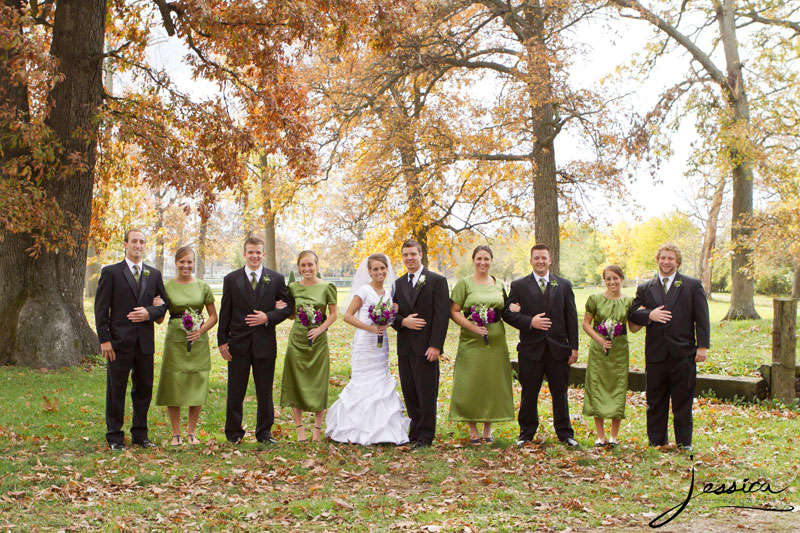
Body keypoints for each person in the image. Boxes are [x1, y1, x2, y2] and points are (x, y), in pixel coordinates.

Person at [628, 243, 709, 452]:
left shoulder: (692, 285)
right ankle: (657, 442)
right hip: (656, 354)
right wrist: (650, 315)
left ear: (677, 262)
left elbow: (702, 318)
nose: (666, 262)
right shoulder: (646, 288)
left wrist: (703, 346)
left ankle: (684, 443)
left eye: (670, 258)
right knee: (655, 401)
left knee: (683, 401)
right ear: (658, 260)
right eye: (663, 258)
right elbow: (633, 313)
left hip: (683, 353)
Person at [95, 229, 169, 450]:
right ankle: (115, 437)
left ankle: (140, 434)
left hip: (144, 343)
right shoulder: (111, 273)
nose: (138, 245)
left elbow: (164, 305)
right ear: (125, 244)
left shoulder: (153, 274)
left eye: (142, 242)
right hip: (118, 343)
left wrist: (150, 312)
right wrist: (105, 340)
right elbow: (101, 310)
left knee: (143, 389)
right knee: (116, 390)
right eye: (134, 241)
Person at [325, 253, 410, 445]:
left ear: (387, 270)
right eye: (375, 269)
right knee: (363, 380)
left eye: (382, 268)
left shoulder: (388, 294)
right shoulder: (364, 290)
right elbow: (347, 316)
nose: (379, 272)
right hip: (365, 343)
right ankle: (355, 428)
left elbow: (388, 320)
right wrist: (371, 328)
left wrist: (391, 316)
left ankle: (383, 431)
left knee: (380, 380)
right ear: (369, 272)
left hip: (381, 345)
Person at [504, 244, 580, 448]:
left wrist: (574, 347)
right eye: (536, 258)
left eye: (543, 258)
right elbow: (508, 313)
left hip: (558, 349)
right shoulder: (519, 285)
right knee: (529, 392)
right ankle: (526, 434)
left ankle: (565, 433)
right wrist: (530, 322)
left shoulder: (563, 284)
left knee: (560, 392)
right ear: (531, 260)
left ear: (550, 260)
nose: (540, 261)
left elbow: (571, 317)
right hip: (531, 349)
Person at [218, 237, 292, 444]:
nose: (254, 255)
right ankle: (233, 433)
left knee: (265, 390)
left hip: (264, 343)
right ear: (244, 254)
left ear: (264, 254)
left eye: (258, 252)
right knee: (235, 390)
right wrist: (222, 340)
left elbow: (287, 307)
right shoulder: (231, 279)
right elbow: (225, 311)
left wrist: (268, 317)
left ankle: (264, 433)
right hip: (238, 343)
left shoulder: (275, 278)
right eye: (250, 252)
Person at [448, 245, 514, 445]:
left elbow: (506, 308)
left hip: (496, 340)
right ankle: (473, 430)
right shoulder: (464, 283)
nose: (483, 262)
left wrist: (515, 307)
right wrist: (472, 327)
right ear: (473, 260)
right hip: (472, 340)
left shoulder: (499, 283)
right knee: (471, 382)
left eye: (486, 258)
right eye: (479, 259)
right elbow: (454, 311)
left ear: (491, 260)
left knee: (491, 382)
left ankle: (487, 429)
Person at [153, 247, 217, 446]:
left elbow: (214, 316)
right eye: (182, 262)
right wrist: (156, 306)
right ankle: (175, 434)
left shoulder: (202, 286)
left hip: (198, 340)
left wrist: (200, 331)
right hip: (175, 339)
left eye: (189, 262)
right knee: (174, 383)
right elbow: (159, 320)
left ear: (194, 263)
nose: (186, 266)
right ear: (176, 263)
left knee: (195, 383)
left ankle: (191, 432)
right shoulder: (167, 286)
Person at [391, 239, 450, 449]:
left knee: (426, 392)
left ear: (421, 254)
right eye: (405, 255)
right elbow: (391, 315)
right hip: (405, 347)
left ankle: (426, 436)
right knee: (409, 390)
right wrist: (402, 322)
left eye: (413, 254)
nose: (409, 258)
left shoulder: (437, 281)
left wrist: (436, 345)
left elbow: (442, 317)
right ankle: (415, 431)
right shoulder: (397, 284)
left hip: (427, 347)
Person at [280, 250, 338, 442]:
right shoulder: (293, 288)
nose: (307, 269)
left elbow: (333, 315)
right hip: (297, 340)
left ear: (317, 266)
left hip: (318, 341)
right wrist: (282, 310)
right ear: (299, 267)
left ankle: (316, 428)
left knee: (318, 383)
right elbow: (290, 314)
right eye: (303, 265)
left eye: (310, 265)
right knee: (296, 381)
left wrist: (320, 330)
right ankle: (299, 429)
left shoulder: (327, 287)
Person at [581, 265, 642, 448]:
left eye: (615, 278)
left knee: (617, 388)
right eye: (608, 278)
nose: (612, 282)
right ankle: (601, 437)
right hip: (599, 351)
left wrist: (646, 317)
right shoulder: (595, 299)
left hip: (619, 351)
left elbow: (632, 328)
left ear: (622, 279)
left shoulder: (629, 302)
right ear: (604, 280)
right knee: (598, 388)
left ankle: (614, 437)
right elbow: (586, 324)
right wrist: (600, 340)